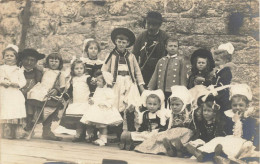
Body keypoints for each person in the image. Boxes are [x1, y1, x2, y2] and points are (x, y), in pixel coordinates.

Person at [102, 27, 145, 140]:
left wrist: (140, 85)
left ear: (128, 43)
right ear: (115, 42)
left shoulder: (131, 56)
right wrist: (108, 81)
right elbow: (104, 69)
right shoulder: (111, 55)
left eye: (124, 42)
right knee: (117, 107)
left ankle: (131, 132)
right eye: (119, 42)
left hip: (129, 83)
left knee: (130, 105)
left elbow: (137, 71)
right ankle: (118, 133)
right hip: (116, 83)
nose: (121, 44)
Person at [134, 86, 193, 155]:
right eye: (172, 104)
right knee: (160, 137)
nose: (174, 107)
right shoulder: (171, 114)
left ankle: (179, 148)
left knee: (185, 135)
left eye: (177, 105)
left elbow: (191, 126)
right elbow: (168, 127)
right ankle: (170, 149)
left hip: (184, 133)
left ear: (184, 104)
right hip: (172, 132)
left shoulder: (188, 114)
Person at [26, 52, 65, 141]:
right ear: (47, 62)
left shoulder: (60, 74)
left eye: (56, 61)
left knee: (49, 112)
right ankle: (30, 127)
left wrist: (56, 90)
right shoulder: (44, 70)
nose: (53, 63)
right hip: (40, 91)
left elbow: (63, 86)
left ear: (60, 63)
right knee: (36, 108)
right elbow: (35, 65)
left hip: (51, 94)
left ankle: (47, 131)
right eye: (51, 61)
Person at [80, 71, 123, 146]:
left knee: (103, 125)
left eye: (99, 81)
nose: (97, 82)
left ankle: (103, 139)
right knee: (94, 124)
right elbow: (96, 98)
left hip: (104, 109)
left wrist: (105, 104)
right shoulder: (98, 89)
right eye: (97, 81)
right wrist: (92, 100)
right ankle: (93, 136)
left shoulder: (108, 90)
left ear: (105, 82)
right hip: (97, 109)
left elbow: (111, 99)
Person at [133, 11, 169, 86]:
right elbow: (134, 55)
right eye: (148, 24)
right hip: (144, 70)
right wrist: (136, 70)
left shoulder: (164, 37)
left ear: (159, 25)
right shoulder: (141, 36)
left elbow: (169, 54)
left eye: (154, 25)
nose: (150, 27)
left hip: (160, 70)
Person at [148, 36, 188, 102]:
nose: (173, 48)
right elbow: (155, 76)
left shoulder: (180, 61)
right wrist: (150, 89)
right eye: (170, 46)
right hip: (161, 89)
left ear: (178, 48)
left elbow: (183, 77)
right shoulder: (161, 60)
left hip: (174, 91)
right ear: (166, 47)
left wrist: (182, 91)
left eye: (175, 46)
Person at [59, 59, 91, 142]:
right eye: (77, 68)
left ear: (84, 69)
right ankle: (78, 134)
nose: (79, 70)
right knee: (78, 120)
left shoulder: (87, 78)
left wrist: (92, 97)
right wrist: (66, 96)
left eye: (81, 68)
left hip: (86, 102)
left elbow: (92, 89)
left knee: (88, 120)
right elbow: (70, 90)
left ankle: (90, 135)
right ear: (73, 70)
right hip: (77, 102)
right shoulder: (73, 79)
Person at [0, 44, 27, 139]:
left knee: (14, 110)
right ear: (3, 57)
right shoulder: (1, 68)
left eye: (11, 55)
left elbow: (23, 81)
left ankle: (15, 130)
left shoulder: (18, 70)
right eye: (7, 55)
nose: (9, 57)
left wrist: (17, 84)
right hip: (3, 92)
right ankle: (5, 130)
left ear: (16, 58)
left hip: (14, 93)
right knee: (4, 110)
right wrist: (2, 82)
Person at [18, 48, 45, 132]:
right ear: (22, 59)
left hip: (31, 98)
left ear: (36, 62)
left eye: (32, 60)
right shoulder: (17, 70)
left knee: (32, 105)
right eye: (27, 59)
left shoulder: (38, 72)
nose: (29, 62)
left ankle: (30, 125)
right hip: (18, 95)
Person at [212, 42, 235, 112]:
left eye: (218, 60)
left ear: (226, 60)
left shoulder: (226, 71)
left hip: (223, 96)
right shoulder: (219, 70)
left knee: (222, 111)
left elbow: (222, 85)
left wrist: (213, 89)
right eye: (214, 60)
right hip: (218, 94)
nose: (215, 62)